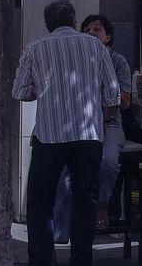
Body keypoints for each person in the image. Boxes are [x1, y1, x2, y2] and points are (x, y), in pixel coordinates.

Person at [12, 0, 120, 266]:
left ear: (47, 25)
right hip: (88, 135)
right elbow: (112, 92)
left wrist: (43, 90)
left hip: (50, 135)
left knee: (39, 204)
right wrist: (104, 120)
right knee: (85, 203)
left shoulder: (35, 47)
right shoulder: (96, 46)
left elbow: (19, 91)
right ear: (74, 21)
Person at [51, 14, 134, 240]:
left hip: (112, 121)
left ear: (107, 37)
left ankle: (103, 204)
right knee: (65, 168)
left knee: (107, 160)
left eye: (97, 29)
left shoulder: (118, 61)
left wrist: (107, 87)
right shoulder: (77, 60)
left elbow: (126, 102)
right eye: (86, 29)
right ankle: (59, 232)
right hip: (81, 120)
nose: (90, 33)